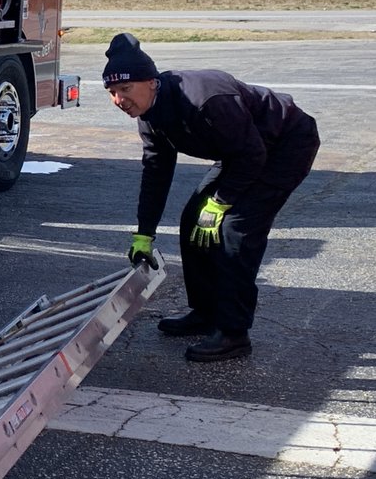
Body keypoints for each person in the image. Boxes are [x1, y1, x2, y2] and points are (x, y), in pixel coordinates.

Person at [105, 33, 321, 362]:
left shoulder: (204, 99)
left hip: (286, 144)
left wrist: (220, 202)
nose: (119, 100)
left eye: (125, 89)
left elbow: (252, 154)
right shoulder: (150, 115)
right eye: (112, 92)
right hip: (242, 150)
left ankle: (234, 333)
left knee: (236, 227)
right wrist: (144, 233)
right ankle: (205, 313)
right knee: (194, 218)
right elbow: (156, 171)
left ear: (150, 81)